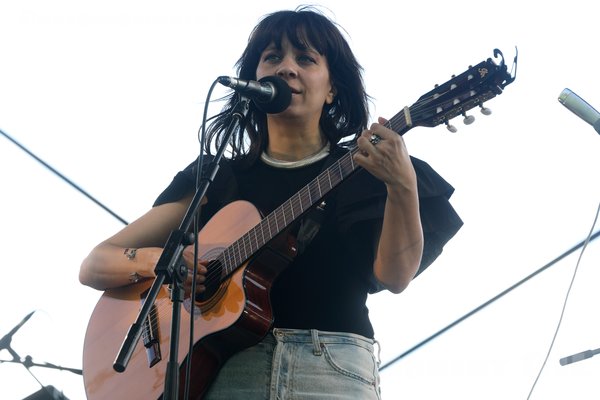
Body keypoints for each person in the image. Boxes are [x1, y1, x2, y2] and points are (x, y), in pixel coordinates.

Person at [79, 6, 462, 399]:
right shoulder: (217, 176)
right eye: (272, 57)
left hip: (329, 370)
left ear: (332, 88)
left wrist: (402, 186)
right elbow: (95, 264)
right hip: (225, 374)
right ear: (253, 81)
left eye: (306, 58)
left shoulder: (366, 168)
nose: (287, 68)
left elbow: (395, 276)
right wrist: (162, 263)